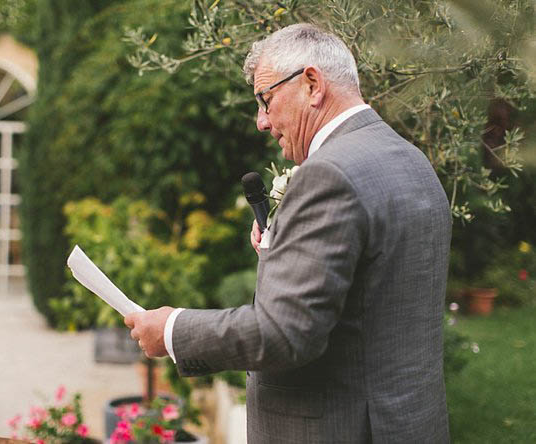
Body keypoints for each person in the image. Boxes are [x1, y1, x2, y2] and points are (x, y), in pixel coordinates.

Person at [125, 23, 451, 443]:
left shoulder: (329, 174)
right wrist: (287, 252)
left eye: (266, 99)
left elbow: (283, 334)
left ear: (312, 84)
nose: (262, 121)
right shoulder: (411, 161)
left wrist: (172, 330)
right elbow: (375, 294)